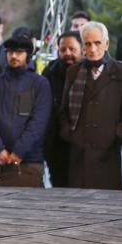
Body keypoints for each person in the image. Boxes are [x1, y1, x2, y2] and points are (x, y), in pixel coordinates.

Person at [60, 21, 122, 190]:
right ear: (82, 46)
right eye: (88, 44)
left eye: (97, 43)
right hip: (79, 155)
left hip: (109, 155)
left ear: (107, 43)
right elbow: (64, 109)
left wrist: (116, 134)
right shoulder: (73, 72)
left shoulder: (121, 72)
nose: (93, 49)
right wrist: (71, 135)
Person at [0, 35, 51, 187]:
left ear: (27, 55)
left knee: (27, 208)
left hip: (29, 160)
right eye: (10, 52)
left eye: (19, 52)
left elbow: (38, 122)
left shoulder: (39, 83)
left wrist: (19, 151)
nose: (13, 56)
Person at [42, 31, 83, 187]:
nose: (67, 54)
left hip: (83, 146)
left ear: (82, 49)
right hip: (56, 144)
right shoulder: (50, 71)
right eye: (63, 50)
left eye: (72, 49)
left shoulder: (89, 71)